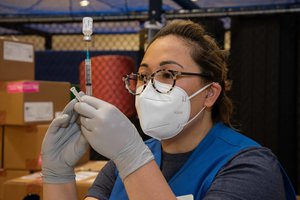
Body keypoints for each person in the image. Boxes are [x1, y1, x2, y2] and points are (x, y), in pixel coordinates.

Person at [41, 20, 296, 200]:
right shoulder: (120, 164)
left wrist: (132, 158)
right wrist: (58, 175)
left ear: (210, 94)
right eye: (143, 76)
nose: (149, 88)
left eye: (167, 73)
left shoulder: (250, 168)